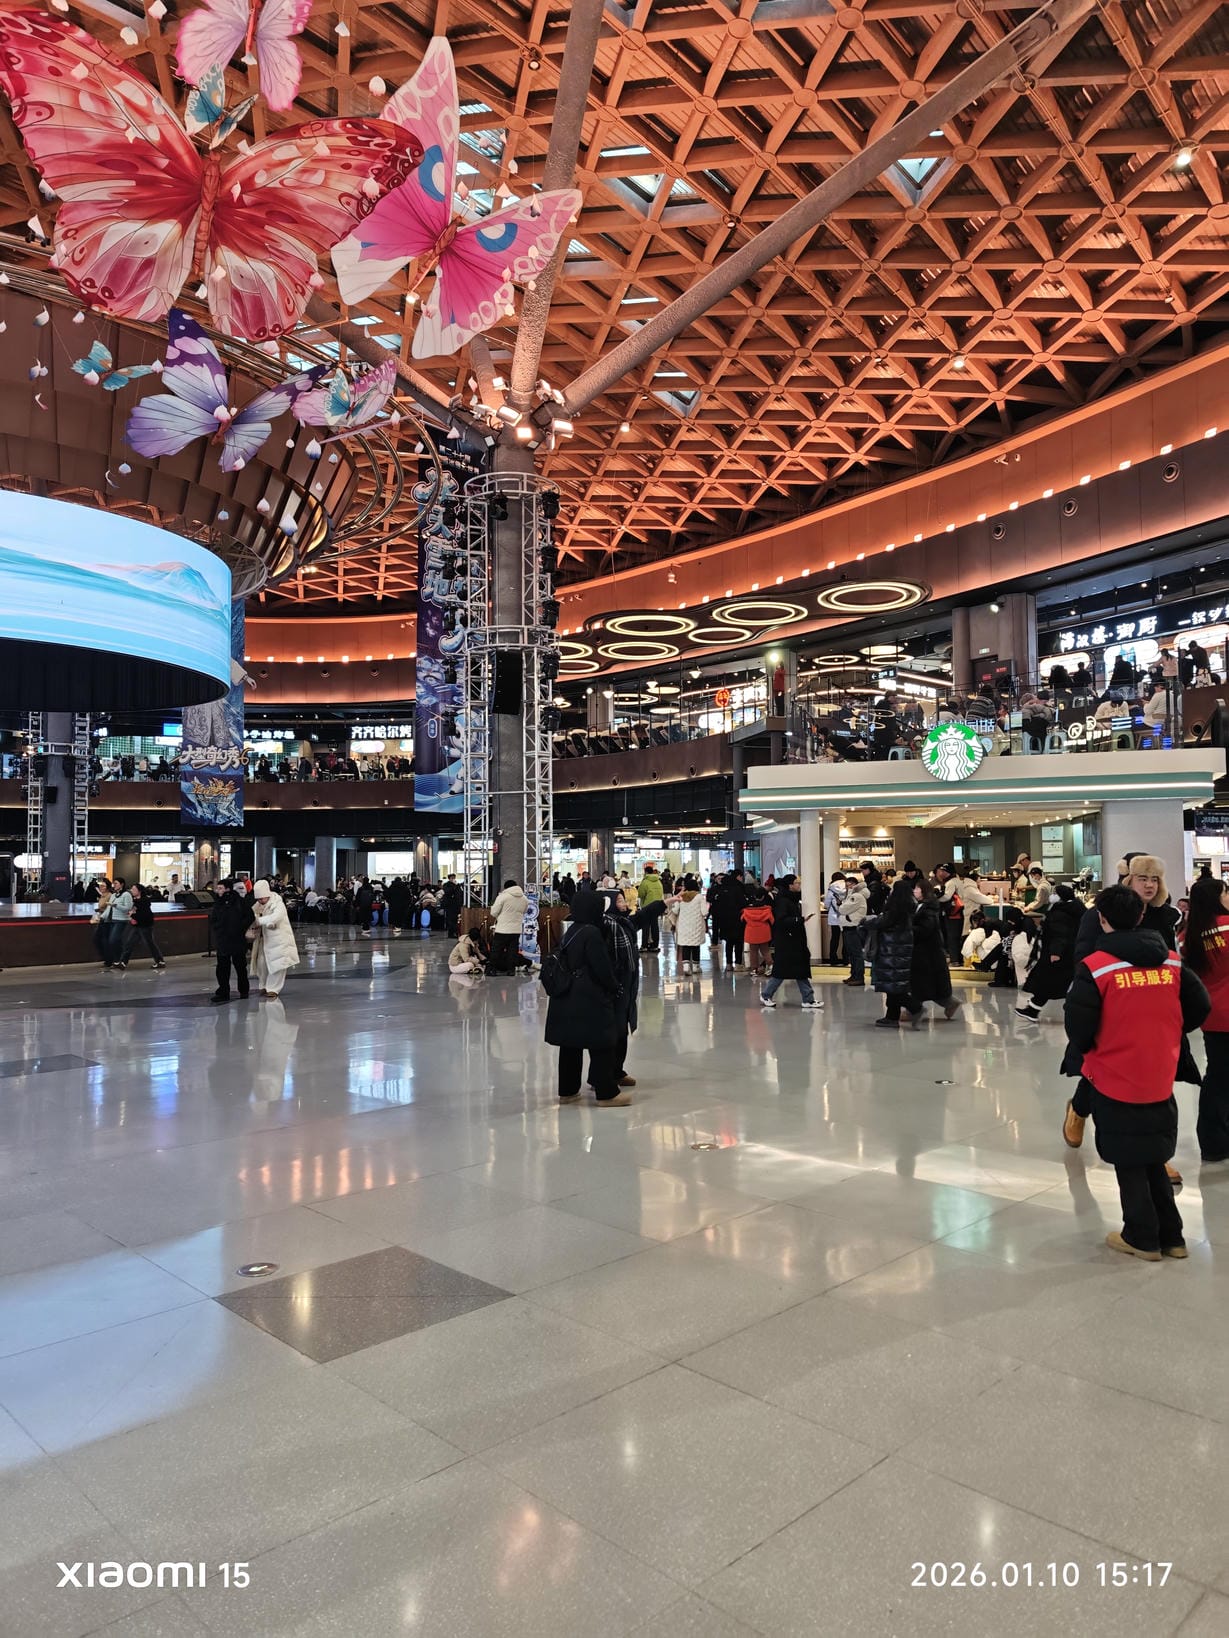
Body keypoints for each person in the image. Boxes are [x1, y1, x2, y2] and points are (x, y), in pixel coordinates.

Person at [1064, 885, 1209, 1260]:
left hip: (1114, 1074)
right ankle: (1173, 1237)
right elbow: (1199, 1006)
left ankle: (1142, 1237)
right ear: (1142, 915)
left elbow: (1079, 1027)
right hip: (1160, 1071)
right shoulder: (1171, 963)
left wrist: (1095, 1047)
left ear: (1102, 919)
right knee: (1153, 1153)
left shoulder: (1096, 967)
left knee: (1128, 1157)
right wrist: (1168, 1032)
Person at [544, 890, 628, 1104]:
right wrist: (615, 987)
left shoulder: (571, 930)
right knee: (602, 1043)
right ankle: (607, 1093)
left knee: (570, 1045)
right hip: (588, 998)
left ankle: (568, 1092)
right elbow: (602, 968)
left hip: (566, 997)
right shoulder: (591, 933)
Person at [1180, 873, 1229, 1164]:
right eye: (1226, 892)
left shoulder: (1190, 935)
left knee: (1218, 1077)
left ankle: (1213, 1141)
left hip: (1211, 1014)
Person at [1015, 883, 1084, 1019]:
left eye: (1055, 893)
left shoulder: (1060, 913)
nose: (1052, 896)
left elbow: (1060, 934)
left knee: (1046, 982)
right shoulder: (1073, 909)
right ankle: (1033, 1009)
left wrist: (1055, 952)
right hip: (1066, 953)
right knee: (1054, 983)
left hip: (1056, 954)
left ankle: (1032, 1010)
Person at [759, 875, 822, 1010]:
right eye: (796, 883)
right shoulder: (783, 901)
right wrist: (800, 920)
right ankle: (766, 995)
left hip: (794, 940)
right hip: (787, 941)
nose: (799, 885)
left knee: (800, 970)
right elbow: (781, 921)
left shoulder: (791, 899)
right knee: (782, 970)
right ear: (790, 885)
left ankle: (808, 999)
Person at [601, 888, 640, 1090]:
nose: (623, 904)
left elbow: (643, 917)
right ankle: (605, 1077)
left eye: (623, 900)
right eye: (618, 901)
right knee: (613, 1033)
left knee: (621, 1030)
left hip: (626, 984)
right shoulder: (606, 926)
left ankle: (617, 1071)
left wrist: (663, 904)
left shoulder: (625, 923)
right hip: (614, 987)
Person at [870, 878, 921, 1027]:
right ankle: (892, 1017)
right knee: (894, 986)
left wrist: (866, 922)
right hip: (902, 950)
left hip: (892, 951)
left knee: (893, 987)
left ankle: (915, 1007)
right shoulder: (910, 907)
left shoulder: (895, 908)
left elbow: (882, 922)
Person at [910, 883, 962, 1020]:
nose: (914, 891)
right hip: (928, 952)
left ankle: (914, 1009)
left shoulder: (927, 909)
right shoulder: (925, 906)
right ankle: (949, 1003)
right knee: (930, 984)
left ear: (924, 891)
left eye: (917, 888)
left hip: (926, 952)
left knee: (922, 982)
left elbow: (926, 929)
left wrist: (909, 929)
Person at [250, 879, 299, 999]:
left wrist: (259, 921)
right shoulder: (258, 905)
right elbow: (251, 913)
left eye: (262, 899)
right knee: (262, 964)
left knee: (278, 964)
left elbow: (276, 916)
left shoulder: (278, 903)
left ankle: (273, 989)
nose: (260, 901)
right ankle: (263, 985)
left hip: (279, 940)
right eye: (258, 899)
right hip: (263, 940)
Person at [209, 878, 254, 1003]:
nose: (218, 891)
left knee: (240, 966)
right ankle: (223, 992)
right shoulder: (218, 903)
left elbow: (250, 916)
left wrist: (240, 927)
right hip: (223, 940)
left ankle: (243, 990)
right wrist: (218, 928)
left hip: (237, 940)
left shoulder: (239, 902)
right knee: (222, 968)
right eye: (217, 888)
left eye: (220, 888)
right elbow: (214, 919)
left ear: (227, 889)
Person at [488, 878, 534, 974]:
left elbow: (493, 912)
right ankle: (511, 970)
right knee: (512, 951)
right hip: (516, 930)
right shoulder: (524, 898)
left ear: (506, 887)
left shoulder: (503, 896)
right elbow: (524, 911)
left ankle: (492, 969)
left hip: (502, 929)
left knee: (496, 950)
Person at [670, 874, 708, 974]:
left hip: (683, 925)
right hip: (696, 925)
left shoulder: (681, 896)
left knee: (685, 945)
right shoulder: (699, 897)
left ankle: (686, 967)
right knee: (695, 945)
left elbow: (675, 910)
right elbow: (704, 912)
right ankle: (695, 967)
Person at [837, 873, 870, 986]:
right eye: (846, 886)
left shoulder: (856, 896)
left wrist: (841, 906)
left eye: (850, 885)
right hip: (849, 928)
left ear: (855, 884)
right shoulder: (852, 896)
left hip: (853, 928)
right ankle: (854, 975)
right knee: (852, 954)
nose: (848, 887)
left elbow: (842, 910)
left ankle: (859, 977)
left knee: (856, 954)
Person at [123, 883, 166, 970]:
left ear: (139, 891)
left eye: (134, 889)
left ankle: (160, 961)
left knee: (149, 943)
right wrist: (132, 917)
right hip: (138, 925)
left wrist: (133, 916)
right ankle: (123, 962)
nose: (131, 891)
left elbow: (143, 915)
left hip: (145, 926)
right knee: (129, 943)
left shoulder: (144, 901)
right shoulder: (135, 901)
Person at [713, 868, 748, 969]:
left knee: (729, 942)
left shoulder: (721, 890)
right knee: (738, 942)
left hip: (725, 920)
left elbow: (718, 905)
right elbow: (743, 903)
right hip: (737, 919)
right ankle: (738, 964)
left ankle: (728, 964)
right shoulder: (737, 889)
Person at [741, 885, 774, 978]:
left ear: (754, 896)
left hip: (751, 932)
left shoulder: (747, 910)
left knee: (753, 951)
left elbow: (742, 920)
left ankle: (754, 970)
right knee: (765, 950)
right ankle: (770, 967)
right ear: (763, 897)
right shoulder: (767, 909)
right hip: (764, 932)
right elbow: (772, 921)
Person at [105, 876, 134, 969]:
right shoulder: (114, 895)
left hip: (121, 920)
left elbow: (128, 908)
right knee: (116, 941)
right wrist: (102, 917)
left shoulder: (126, 895)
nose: (114, 885)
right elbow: (109, 908)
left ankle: (119, 959)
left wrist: (116, 905)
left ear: (122, 884)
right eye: (113, 883)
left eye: (116, 883)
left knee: (113, 940)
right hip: (113, 920)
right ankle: (118, 960)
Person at [637, 864, 664, 951]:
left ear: (645, 872)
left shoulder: (645, 882)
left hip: (647, 907)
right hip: (657, 906)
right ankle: (655, 945)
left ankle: (644, 945)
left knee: (645, 926)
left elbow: (640, 894)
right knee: (655, 926)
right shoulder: (658, 881)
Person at [823, 871, 846, 963]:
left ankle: (833, 958)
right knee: (846, 938)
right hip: (845, 916)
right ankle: (845, 958)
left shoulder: (831, 889)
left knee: (835, 938)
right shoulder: (848, 886)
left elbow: (826, 904)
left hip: (834, 916)